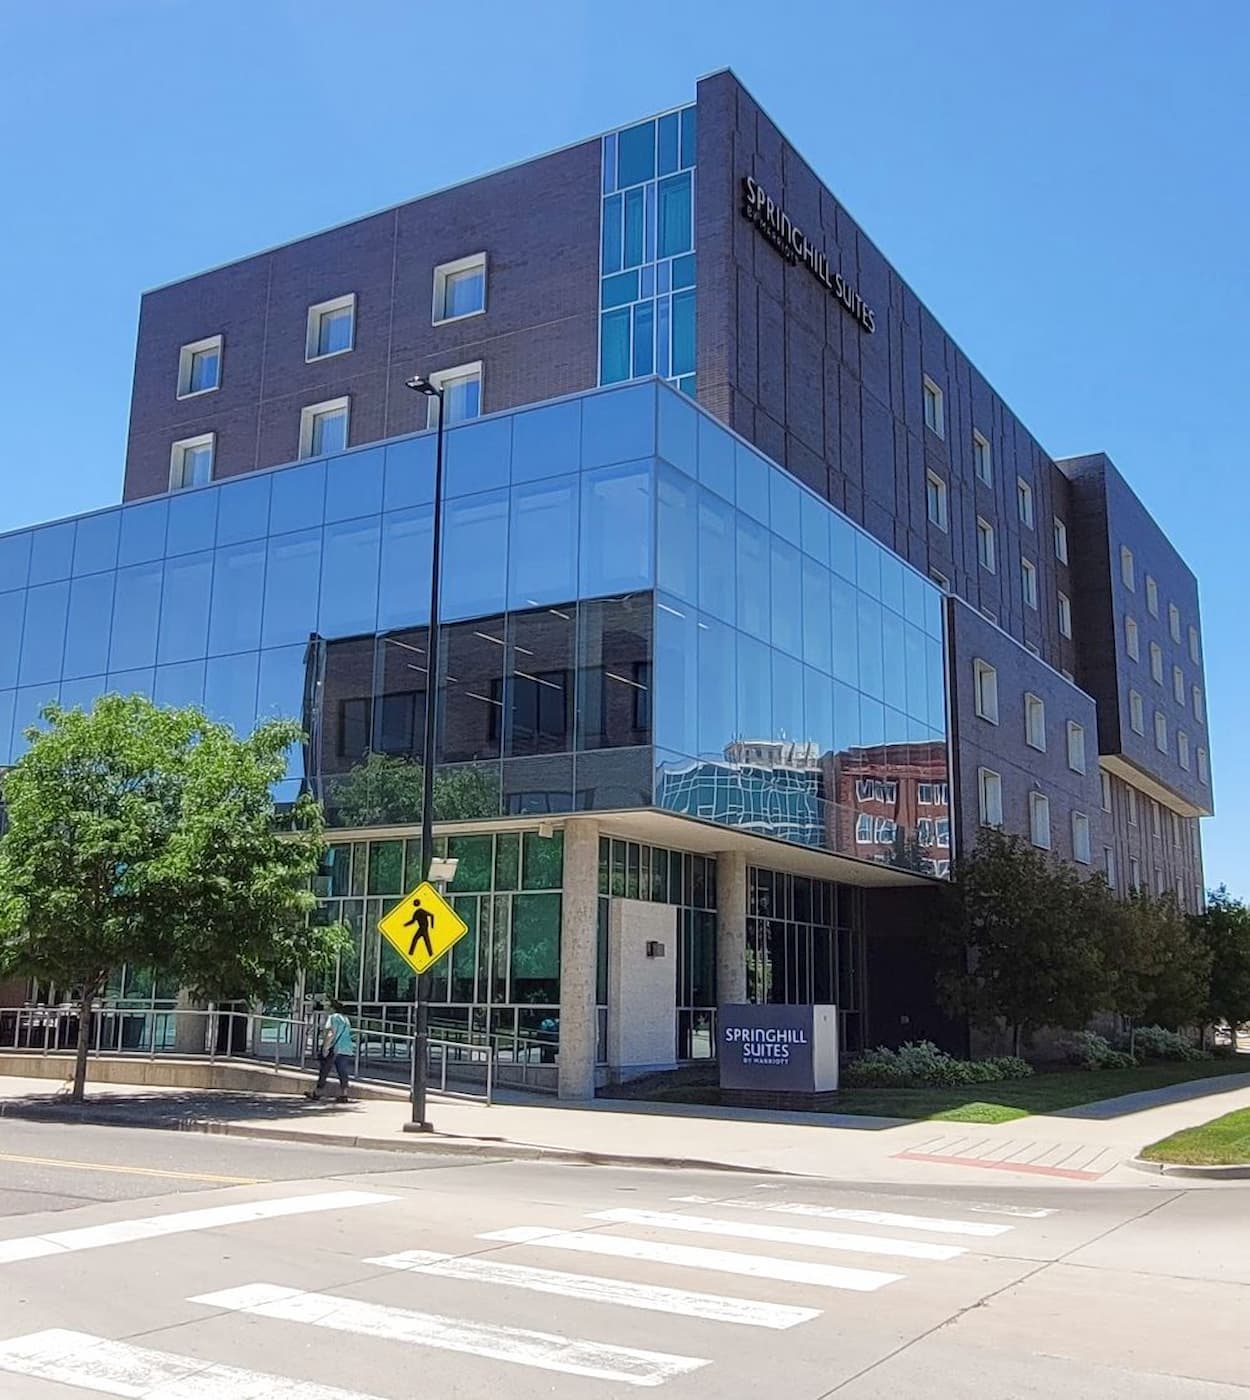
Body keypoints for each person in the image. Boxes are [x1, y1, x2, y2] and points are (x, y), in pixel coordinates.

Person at [306, 999, 354, 1103]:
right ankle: (344, 1094)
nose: (327, 1008)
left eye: (328, 1007)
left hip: (334, 1048)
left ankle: (317, 1092)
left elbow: (331, 1033)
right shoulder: (346, 1019)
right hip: (345, 1048)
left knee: (325, 1070)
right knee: (343, 1072)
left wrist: (325, 1048)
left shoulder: (333, 1018)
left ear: (333, 1008)